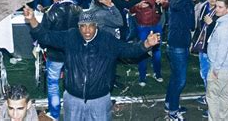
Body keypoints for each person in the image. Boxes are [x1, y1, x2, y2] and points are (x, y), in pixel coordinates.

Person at [24, 6, 160, 121]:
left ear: (97, 26)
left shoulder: (108, 40)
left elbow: (129, 50)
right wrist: (32, 19)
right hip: (73, 99)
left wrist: (146, 44)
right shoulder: (70, 36)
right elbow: (46, 36)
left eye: (90, 26)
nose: (87, 30)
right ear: (78, 26)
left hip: (100, 101)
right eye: (83, 26)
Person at [40, 0, 81, 121]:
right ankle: (73, 115)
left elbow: (43, 35)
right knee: (73, 84)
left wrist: (43, 46)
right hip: (74, 53)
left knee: (53, 84)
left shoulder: (51, 12)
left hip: (55, 53)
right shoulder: (78, 10)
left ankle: (55, 115)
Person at [129, 0, 169, 86]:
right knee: (142, 50)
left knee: (157, 50)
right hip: (142, 24)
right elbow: (130, 7)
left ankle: (158, 73)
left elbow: (167, 3)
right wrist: (138, 6)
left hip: (156, 23)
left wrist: (162, 2)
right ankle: (142, 76)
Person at [165, 0, 198, 121]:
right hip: (176, 45)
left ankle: (170, 103)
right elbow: (175, 6)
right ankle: (173, 111)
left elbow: (191, 25)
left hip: (183, 44)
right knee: (180, 80)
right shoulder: (176, 0)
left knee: (175, 77)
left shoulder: (188, 3)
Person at [206, 0, 228, 121]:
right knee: (225, 94)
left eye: (220, 7)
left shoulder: (225, 27)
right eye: (216, 6)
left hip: (222, 66)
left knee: (212, 96)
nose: (217, 9)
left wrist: (216, 68)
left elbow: (222, 49)